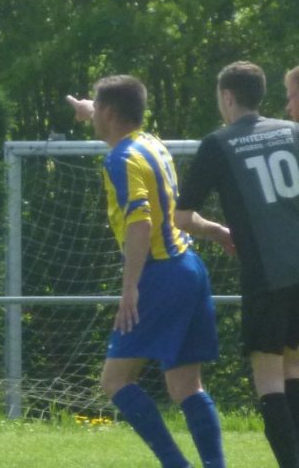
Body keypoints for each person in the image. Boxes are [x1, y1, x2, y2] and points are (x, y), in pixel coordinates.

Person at [66, 76, 226, 468]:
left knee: (115, 381)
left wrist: (130, 288)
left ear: (108, 113)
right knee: (187, 385)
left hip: (158, 275)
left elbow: (139, 222)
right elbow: (170, 212)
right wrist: (218, 231)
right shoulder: (151, 143)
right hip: (189, 268)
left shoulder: (120, 160)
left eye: (96, 112)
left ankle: (176, 464)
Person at [175, 61, 299, 467]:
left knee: (268, 378)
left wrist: (220, 232)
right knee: (295, 366)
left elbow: (183, 216)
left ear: (228, 97)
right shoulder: (293, 132)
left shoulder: (219, 143)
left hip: (266, 275)